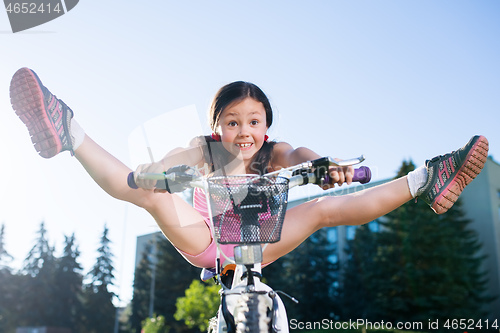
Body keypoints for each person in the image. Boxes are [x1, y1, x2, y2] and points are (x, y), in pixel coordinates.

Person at [10, 67, 489, 270]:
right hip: (209, 242)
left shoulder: (275, 151)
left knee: (324, 209)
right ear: (216, 125)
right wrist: (155, 172)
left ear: (266, 126)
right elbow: (173, 161)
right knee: (146, 194)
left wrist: (325, 167)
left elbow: (302, 156)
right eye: (232, 120)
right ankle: (65, 128)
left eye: (254, 121)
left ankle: (429, 177)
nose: (244, 130)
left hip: (263, 238)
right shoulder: (204, 148)